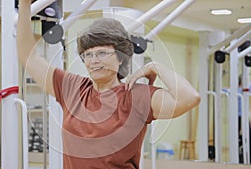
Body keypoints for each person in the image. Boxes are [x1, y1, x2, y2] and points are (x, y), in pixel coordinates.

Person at [17, 0, 200, 168]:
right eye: (88, 55)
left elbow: (190, 98)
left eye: (102, 53)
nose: (94, 60)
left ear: (120, 57)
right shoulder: (72, 88)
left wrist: (155, 67)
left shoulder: (135, 96)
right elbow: (28, 55)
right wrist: (25, 5)